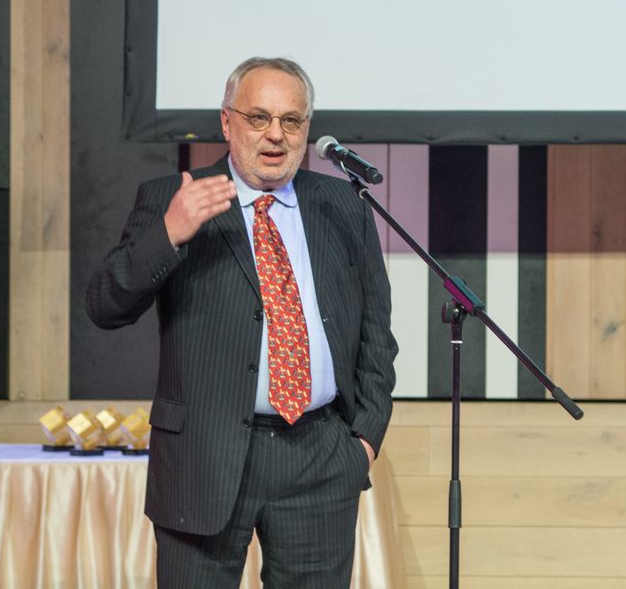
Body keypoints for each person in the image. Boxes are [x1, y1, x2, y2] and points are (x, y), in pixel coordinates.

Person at [87, 57, 398, 588]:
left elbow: (375, 336)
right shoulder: (173, 198)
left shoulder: (342, 206)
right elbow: (106, 305)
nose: (276, 134)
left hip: (321, 458)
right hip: (204, 457)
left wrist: (362, 442)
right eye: (258, 118)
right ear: (227, 122)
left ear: (306, 129)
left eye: (291, 120)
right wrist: (169, 233)